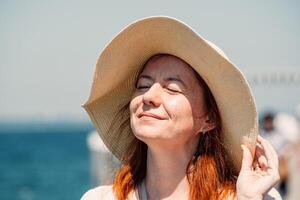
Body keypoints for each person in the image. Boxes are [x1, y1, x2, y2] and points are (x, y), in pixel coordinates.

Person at [82, 16, 281, 200]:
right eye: (143, 85)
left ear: (209, 118)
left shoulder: (253, 195)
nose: (149, 96)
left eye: (172, 88)